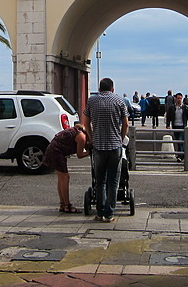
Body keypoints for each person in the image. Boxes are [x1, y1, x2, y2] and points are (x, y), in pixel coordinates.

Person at [82, 77, 129, 223]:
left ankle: (100, 213)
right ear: (113, 89)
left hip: (98, 146)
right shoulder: (119, 101)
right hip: (115, 146)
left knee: (100, 181)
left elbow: (86, 122)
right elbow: (126, 124)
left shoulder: (92, 101)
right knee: (113, 181)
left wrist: (91, 137)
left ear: (99, 89)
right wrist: (121, 138)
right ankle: (109, 214)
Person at [43, 124, 91, 213]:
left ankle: (62, 204)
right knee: (65, 177)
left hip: (52, 149)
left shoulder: (77, 130)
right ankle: (67, 205)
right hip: (57, 151)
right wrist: (90, 152)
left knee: (61, 178)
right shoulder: (82, 137)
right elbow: (79, 155)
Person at [165, 93, 188, 162]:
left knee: (180, 140)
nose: (179, 100)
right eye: (178, 98)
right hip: (175, 125)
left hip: (183, 126)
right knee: (177, 141)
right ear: (175, 99)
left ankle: (181, 155)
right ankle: (181, 154)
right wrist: (168, 125)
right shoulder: (172, 107)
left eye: (180, 98)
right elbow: (169, 117)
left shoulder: (185, 107)